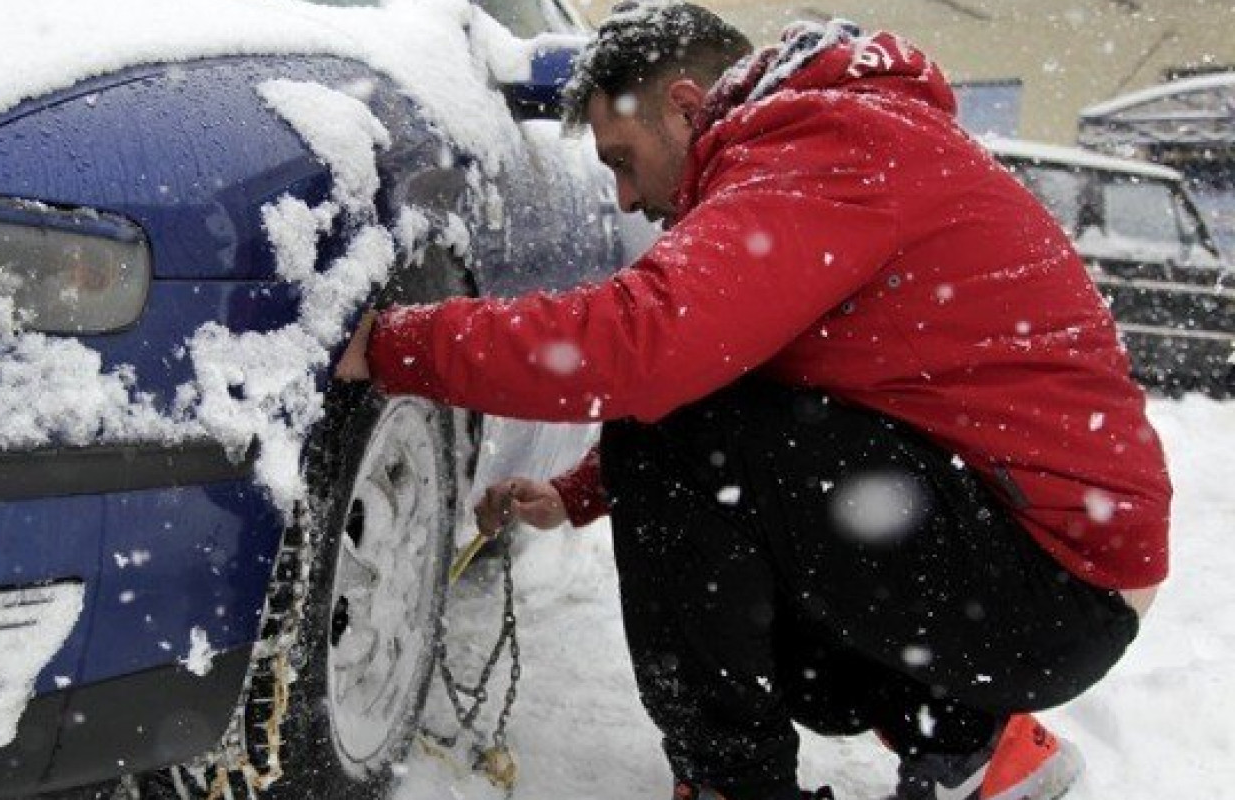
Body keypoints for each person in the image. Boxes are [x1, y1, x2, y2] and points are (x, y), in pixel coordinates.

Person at [334, 2, 1170, 798]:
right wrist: (578, 491)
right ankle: (971, 744)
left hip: (1046, 580)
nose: (625, 197)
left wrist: (394, 343)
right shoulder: (840, 136)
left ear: (687, 105)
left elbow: (645, 349)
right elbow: (756, 374)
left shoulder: (829, 142)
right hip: (1046, 562)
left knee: (674, 423)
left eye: (623, 159)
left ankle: (734, 782)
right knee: (700, 449)